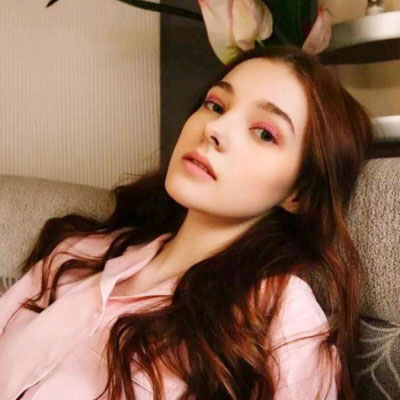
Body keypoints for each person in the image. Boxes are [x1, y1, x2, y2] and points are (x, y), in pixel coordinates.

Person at [0, 44, 374, 400]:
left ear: (298, 193)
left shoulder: (281, 315)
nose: (215, 129)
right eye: (215, 105)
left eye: (264, 133)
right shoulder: (77, 255)